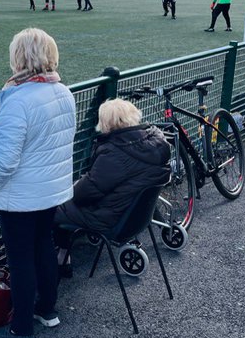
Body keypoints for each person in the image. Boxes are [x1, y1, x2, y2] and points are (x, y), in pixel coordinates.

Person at [0, 27, 75, 338]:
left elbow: (3, 162)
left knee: (20, 258)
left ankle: (21, 330)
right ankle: (46, 309)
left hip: (20, 197)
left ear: (19, 58)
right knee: (43, 247)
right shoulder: (63, 92)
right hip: (49, 192)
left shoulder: (19, 101)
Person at [53, 98, 169, 256]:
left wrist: (75, 185)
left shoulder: (113, 153)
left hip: (110, 219)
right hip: (135, 217)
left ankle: (58, 259)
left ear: (106, 124)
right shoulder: (156, 142)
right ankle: (62, 257)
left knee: (51, 207)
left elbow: (83, 194)